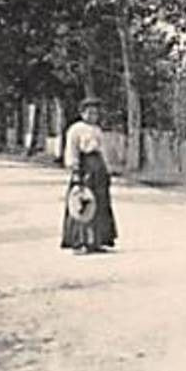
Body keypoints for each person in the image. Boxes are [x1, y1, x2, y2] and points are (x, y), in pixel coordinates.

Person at [61, 96, 118, 254]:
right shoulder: (76, 129)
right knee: (83, 203)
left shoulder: (97, 130)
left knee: (99, 203)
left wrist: (107, 170)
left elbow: (103, 151)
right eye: (89, 113)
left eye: (95, 113)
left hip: (98, 168)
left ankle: (97, 241)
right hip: (84, 167)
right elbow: (72, 151)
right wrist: (75, 170)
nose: (93, 116)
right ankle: (79, 241)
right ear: (82, 113)